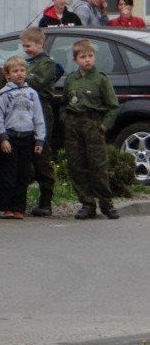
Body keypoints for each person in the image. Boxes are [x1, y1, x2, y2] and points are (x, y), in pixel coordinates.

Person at [62, 40, 120, 220]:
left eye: (90, 56)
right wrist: (65, 120)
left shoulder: (100, 79)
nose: (87, 60)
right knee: (77, 165)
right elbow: (64, 103)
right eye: (83, 57)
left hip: (93, 124)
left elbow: (113, 106)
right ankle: (87, 203)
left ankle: (106, 203)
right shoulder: (71, 79)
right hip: (74, 125)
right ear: (75, 59)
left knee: (98, 165)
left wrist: (103, 125)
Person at [0, 56, 46, 220]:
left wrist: (39, 139)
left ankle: (18, 207)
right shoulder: (5, 94)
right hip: (10, 137)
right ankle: (3, 206)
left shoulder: (32, 94)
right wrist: (3, 138)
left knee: (24, 174)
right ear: (8, 75)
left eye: (22, 70)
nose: (19, 74)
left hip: (27, 137)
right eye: (15, 71)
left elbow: (38, 117)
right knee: (9, 173)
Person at [21, 26, 59, 217]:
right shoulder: (29, 63)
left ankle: (46, 201)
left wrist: (20, 73)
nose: (26, 49)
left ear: (40, 43)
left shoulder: (47, 63)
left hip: (41, 109)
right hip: (25, 108)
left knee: (42, 154)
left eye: (28, 46)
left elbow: (36, 82)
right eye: (24, 46)